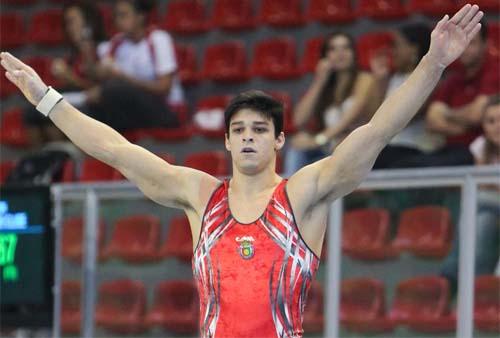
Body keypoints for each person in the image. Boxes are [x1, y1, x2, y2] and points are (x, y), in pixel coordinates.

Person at [0, 4, 483, 337]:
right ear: (227, 141)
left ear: (279, 140)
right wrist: (47, 99)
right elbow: (117, 150)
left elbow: (377, 130)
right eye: (239, 129)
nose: (249, 136)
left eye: (260, 128)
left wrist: (434, 62)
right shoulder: (199, 194)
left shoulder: (304, 193)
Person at [284, 32, 376, 176]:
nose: (340, 53)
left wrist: (318, 140)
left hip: (356, 149)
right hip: (330, 150)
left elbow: (349, 118)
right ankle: (287, 196)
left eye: (345, 48)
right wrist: (320, 80)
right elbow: (298, 120)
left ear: (354, 53)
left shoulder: (364, 78)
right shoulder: (327, 86)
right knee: (297, 146)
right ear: (325, 56)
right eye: (333, 49)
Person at [83, 0, 183, 131]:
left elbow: (164, 88)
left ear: (140, 17)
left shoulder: (158, 39)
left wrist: (124, 78)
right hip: (132, 111)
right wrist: (86, 51)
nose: (118, 21)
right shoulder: (116, 43)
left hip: (165, 109)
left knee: (113, 90)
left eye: (123, 15)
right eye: (116, 16)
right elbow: (98, 75)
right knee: (95, 102)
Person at [23, 0, 106, 146]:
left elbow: (100, 91)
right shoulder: (74, 55)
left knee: (54, 110)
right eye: (67, 23)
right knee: (33, 111)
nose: (69, 28)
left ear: (88, 23)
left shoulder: (104, 50)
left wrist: (70, 77)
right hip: (76, 99)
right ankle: (43, 159)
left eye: (72, 21)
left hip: (96, 107)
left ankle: (65, 160)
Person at [441, 95, 500, 295]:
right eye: (490, 121)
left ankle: (451, 272)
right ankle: (477, 287)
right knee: (481, 221)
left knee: (472, 201)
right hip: (488, 209)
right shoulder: (481, 146)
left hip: (484, 202)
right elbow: (481, 184)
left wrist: (488, 187)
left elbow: (480, 187)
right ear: (483, 125)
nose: (496, 126)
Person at [424, 20, 499, 166]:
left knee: (415, 167)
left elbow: (477, 115)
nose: (465, 49)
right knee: (391, 158)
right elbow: (431, 122)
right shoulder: (454, 77)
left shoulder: (494, 72)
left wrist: (447, 113)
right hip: (448, 149)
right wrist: (467, 126)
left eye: (472, 43)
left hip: (476, 152)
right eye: (462, 42)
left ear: (485, 45)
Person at [370, 23, 445, 168]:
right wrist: (380, 81)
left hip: (413, 149)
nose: (393, 51)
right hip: (388, 148)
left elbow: (402, 119)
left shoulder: (429, 79)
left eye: (397, 45)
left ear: (413, 49)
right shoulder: (393, 78)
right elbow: (374, 119)